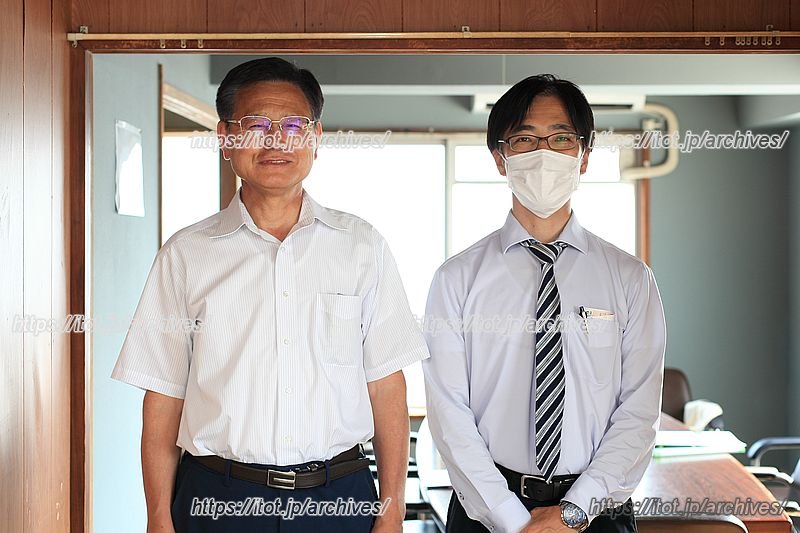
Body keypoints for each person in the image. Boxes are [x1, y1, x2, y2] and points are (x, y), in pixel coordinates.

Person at [112, 57, 429, 533]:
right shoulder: (185, 254)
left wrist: (393, 510)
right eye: (256, 124)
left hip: (338, 497)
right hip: (215, 498)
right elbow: (163, 397)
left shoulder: (362, 246)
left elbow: (387, 386)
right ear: (226, 138)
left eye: (294, 125)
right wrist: (158, 516)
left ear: (316, 139)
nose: (276, 140)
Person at [422, 74, 666, 533]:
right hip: (488, 512)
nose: (543, 153)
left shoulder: (630, 279)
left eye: (560, 138)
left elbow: (639, 410)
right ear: (500, 158)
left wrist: (573, 512)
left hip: (598, 513)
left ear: (585, 156)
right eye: (524, 139)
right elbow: (449, 414)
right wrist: (514, 520)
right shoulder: (456, 279)